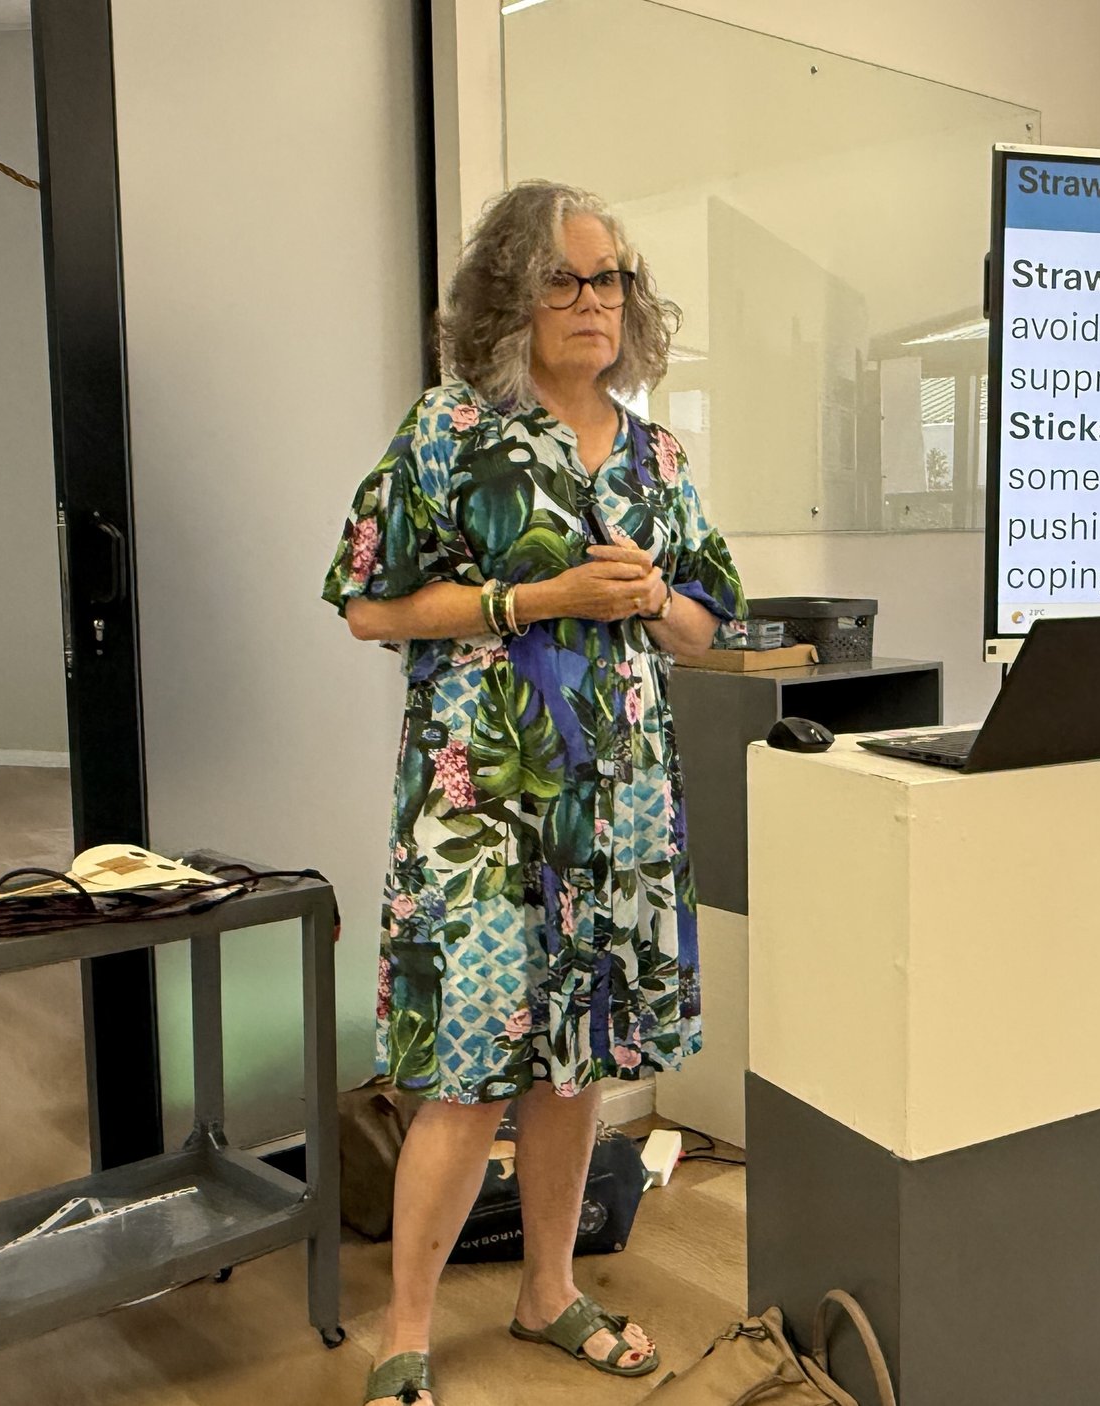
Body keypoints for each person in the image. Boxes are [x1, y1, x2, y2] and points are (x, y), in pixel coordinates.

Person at [321, 180, 743, 1406]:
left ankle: (547, 1290)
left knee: (576, 1063)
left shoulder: (657, 452)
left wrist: (650, 599)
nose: (592, 300)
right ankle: (405, 1328)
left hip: (618, 814)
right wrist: (535, 599)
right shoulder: (448, 432)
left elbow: (708, 620)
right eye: (562, 278)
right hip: (481, 814)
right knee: (465, 1073)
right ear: (509, 296)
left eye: (608, 277)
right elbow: (365, 603)